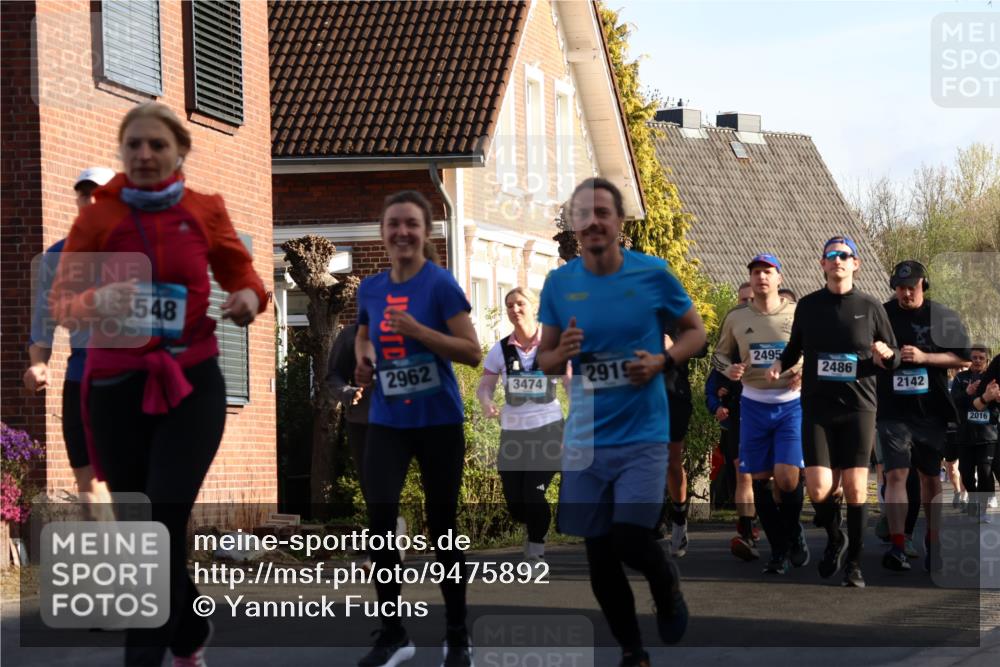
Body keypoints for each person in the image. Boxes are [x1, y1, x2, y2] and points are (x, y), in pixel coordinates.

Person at [50, 102, 266, 666]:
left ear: (179, 153)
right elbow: (63, 305)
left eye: (157, 145)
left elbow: (240, 273)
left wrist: (247, 297)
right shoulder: (97, 217)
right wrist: (98, 300)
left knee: (159, 521)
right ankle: (191, 631)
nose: (145, 155)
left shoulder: (204, 210)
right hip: (115, 384)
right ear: (123, 154)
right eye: (134, 146)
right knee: (142, 526)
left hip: (191, 380)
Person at [538, 177, 706, 666]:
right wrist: (560, 354)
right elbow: (544, 360)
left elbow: (694, 332)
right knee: (599, 555)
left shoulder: (653, 274)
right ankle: (633, 650)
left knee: (630, 535)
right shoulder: (560, 283)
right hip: (586, 439)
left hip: (643, 434)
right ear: (574, 223)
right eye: (583, 213)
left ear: (619, 222)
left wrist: (663, 361)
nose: (592, 221)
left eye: (602, 213)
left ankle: (665, 583)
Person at [353, 190, 481, 667]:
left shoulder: (440, 285)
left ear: (426, 233)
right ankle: (393, 634)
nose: (402, 232)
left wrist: (420, 333)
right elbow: (365, 333)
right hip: (388, 419)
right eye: (393, 224)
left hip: (438, 421)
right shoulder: (370, 288)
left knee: (442, 528)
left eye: (411, 224)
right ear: (383, 232)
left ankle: (456, 633)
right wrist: (364, 362)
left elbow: (472, 351)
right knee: (380, 524)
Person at [767, 236, 899, 588]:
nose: (837, 260)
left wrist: (887, 354)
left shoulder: (871, 307)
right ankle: (835, 537)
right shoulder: (808, 306)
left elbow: (895, 356)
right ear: (822, 264)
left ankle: (853, 564)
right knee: (819, 488)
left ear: (855, 264)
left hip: (859, 407)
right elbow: (794, 348)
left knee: (856, 489)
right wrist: (779, 364)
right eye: (831, 256)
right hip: (818, 407)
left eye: (844, 255)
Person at [24, 167, 115, 507]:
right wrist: (39, 365)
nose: (91, 199)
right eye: (84, 193)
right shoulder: (56, 257)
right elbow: (42, 327)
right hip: (81, 380)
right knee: (88, 484)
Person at [875, 260, 970, 574]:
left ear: (923, 285)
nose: (905, 293)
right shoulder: (883, 314)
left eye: (910, 287)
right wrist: (881, 354)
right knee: (897, 475)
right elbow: (867, 350)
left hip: (931, 412)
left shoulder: (941, 316)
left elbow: (964, 358)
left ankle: (934, 541)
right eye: (900, 288)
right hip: (893, 410)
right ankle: (899, 544)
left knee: (930, 478)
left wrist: (926, 357)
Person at [714, 254, 807, 575]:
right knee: (760, 478)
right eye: (755, 272)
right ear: (750, 279)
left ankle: (792, 532)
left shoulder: (797, 313)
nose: (761, 277)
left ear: (779, 278)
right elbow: (719, 355)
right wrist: (732, 368)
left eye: (767, 272)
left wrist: (804, 372)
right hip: (752, 405)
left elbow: (816, 349)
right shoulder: (736, 317)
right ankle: (779, 549)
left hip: (789, 403)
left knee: (787, 477)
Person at [477, 287, 563, 563]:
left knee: (534, 494)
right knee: (515, 502)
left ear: (534, 307)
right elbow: (484, 388)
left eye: (520, 304)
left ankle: (536, 550)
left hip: (548, 430)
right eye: (509, 305)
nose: (514, 310)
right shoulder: (500, 350)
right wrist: (487, 402)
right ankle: (533, 527)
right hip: (513, 433)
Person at [661, 326, 706, 558]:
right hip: (636, 396)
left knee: (671, 461)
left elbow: (702, 347)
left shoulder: (677, 311)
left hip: (672, 396)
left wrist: (675, 348)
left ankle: (679, 521)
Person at [954, 346, 998, 521]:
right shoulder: (960, 378)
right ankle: (973, 499)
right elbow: (954, 401)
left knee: (985, 472)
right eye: (974, 357)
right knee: (965, 472)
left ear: (987, 360)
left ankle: (982, 509)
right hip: (965, 434)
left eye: (981, 357)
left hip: (988, 435)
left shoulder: (993, 378)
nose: (977, 360)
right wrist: (967, 392)